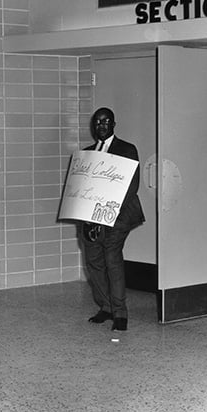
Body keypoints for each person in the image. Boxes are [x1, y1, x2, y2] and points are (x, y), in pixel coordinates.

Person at [81, 107, 145, 331]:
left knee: (112, 258)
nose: (102, 125)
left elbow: (131, 185)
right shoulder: (87, 153)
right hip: (93, 218)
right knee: (93, 261)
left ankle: (120, 312)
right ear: (93, 126)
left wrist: (108, 213)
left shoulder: (127, 150)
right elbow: (83, 190)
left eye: (106, 121)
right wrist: (88, 220)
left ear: (113, 124)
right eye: (98, 122)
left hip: (118, 216)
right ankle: (106, 307)